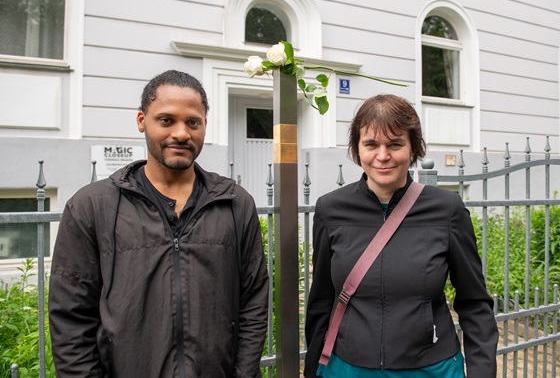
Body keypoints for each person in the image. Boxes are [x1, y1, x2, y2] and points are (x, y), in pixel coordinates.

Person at [49, 70, 269, 377]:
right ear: (142, 121)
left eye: (193, 122)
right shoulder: (92, 206)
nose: (181, 133)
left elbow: (254, 300)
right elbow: (72, 318)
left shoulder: (235, 203)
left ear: (205, 124)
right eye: (166, 120)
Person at [304, 94, 498, 377]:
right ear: (357, 150)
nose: (383, 156)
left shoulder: (446, 210)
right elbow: (321, 299)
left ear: (413, 149)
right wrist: (312, 369)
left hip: (431, 368)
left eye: (395, 144)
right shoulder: (330, 209)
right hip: (347, 367)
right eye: (371, 144)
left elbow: (474, 302)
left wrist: (481, 372)